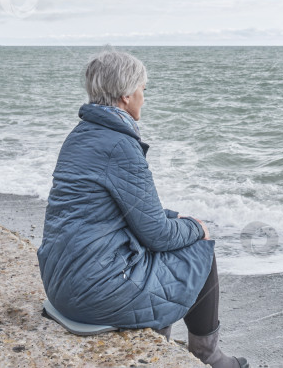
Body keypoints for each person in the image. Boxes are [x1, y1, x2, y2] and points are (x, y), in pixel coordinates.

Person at [36, 47, 249, 368]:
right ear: (125, 94)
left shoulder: (80, 136)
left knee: (173, 225)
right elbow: (157, 236)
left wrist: (178, 220)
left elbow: (121, 213)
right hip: (91, 293)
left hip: (59, 283)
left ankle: (159, 341)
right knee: (199, 245)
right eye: (142, 90)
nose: (143, 98)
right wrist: (197, 227)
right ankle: (209, 355)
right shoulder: (120, 144)